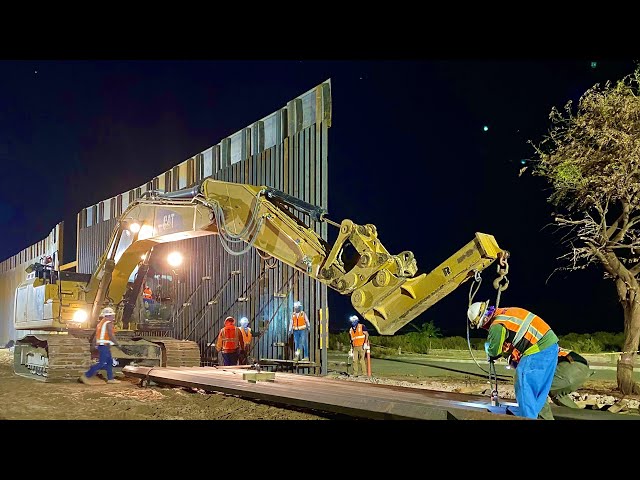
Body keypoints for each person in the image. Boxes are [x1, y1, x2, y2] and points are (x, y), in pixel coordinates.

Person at [467, 300, 559, 419]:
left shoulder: (497, 325)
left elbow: (494, 351)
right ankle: (534, 415)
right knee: (537, 395)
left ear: (483, 320)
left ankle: (528, 417)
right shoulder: (505, 313)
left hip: (537, 349)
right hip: (551, 347)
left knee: (522, 381)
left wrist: (488, 348)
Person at [79, 307, 123, 385]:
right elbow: (110, 334)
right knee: (102, 363)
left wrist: (95, 344)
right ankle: (86, 375)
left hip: (103, 345)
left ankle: (110, 379)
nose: (113, 317)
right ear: (108, 316)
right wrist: (117, 343)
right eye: (112, 315)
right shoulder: (108, 323)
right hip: (104, 346)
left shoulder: (101, 323)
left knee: (109, 362)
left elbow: (97, 335)